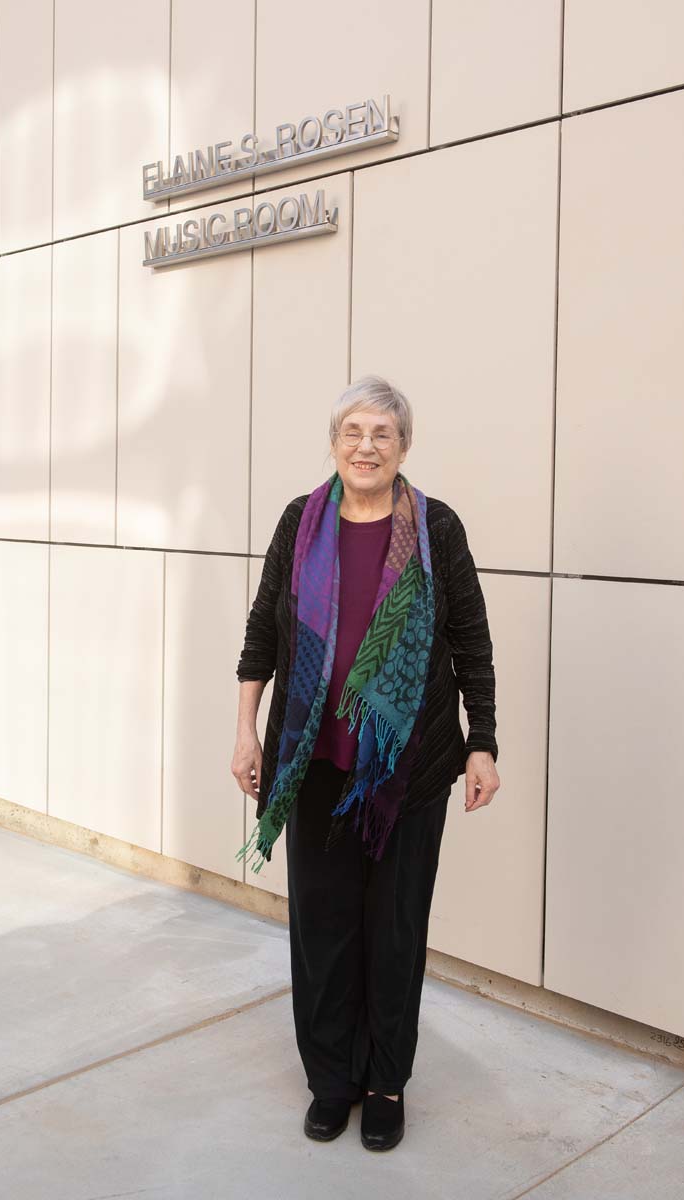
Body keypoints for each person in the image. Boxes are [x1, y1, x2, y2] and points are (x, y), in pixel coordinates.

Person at [231, 374, 500, 1152]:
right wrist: (247, 732)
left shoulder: (436, 529)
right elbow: (261, 633)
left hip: (406, 775)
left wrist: (482, 742)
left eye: (383, 433)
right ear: (333, 442)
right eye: (353, 431)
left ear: (404, 447)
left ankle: (385, 1082)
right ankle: (331, 1079)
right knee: (322, 928)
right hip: (311, 766)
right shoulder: (301, 523)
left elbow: (471, 643)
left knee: (393, 929)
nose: (366, 446)